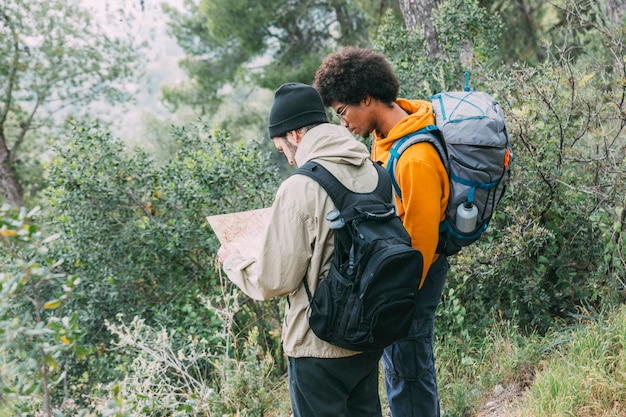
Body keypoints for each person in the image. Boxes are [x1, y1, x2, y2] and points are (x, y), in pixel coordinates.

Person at [217, 82, 384, 417]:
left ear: (293, 135)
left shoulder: (301, 186)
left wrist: (235, 261)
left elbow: (273, 280)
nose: (288, 158)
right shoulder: (374, 171)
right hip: (368, 333)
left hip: (317, 342)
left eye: (281, 148)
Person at [314, 46, 450, 417]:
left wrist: (395, 298)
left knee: (408, 371)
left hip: (411, 276)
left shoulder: (415, 158)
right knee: (401, 367)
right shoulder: (388, 135)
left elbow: (422, 242)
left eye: (343, 112)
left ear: (368, 98)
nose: (343, 123)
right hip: (397, 267)